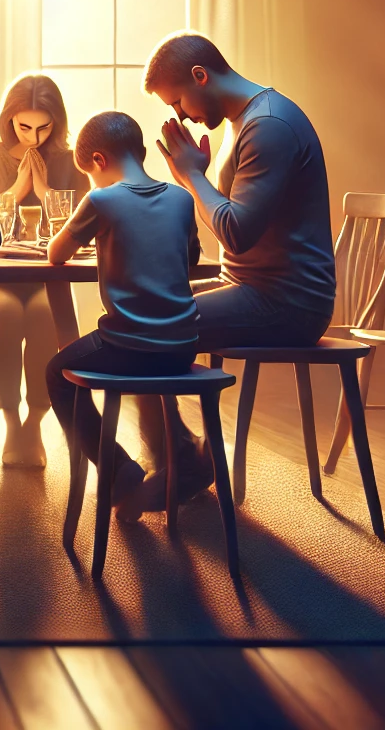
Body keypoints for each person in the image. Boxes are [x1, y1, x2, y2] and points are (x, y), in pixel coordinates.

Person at [144, 30, 336, 505]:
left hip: (288, 303)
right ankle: (185, 453)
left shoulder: (268, 125)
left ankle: (186, 461)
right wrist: (201, 179)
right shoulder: (243, 121)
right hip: (252, 287)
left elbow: (236, 231)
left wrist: (190, 177)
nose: (180, 115)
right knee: (141, 312)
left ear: (200, 75)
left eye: (179, 102)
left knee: (146, 331)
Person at [44, 111, 202, 514]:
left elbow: (56, 254)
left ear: (98, 161)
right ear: (143, 151)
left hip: (128, 343)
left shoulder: (101, 199)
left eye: (91, 173)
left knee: (58, 373)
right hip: (182, 346)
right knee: (139, 360)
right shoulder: (182, 199)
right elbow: (190, 258)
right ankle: (173, 458)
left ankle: (117, 467)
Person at [0, 72, 85, 468]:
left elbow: (82, 232)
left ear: (57, 122)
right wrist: (16, 193)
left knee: (43, 315)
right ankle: (10, 420)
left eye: (43, 126)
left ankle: (34, 421)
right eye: (24, 126)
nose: (34, 135)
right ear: (9, 119)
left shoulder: (70, 161)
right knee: (5, 313)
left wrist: (47, 190)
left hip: (46, 279)